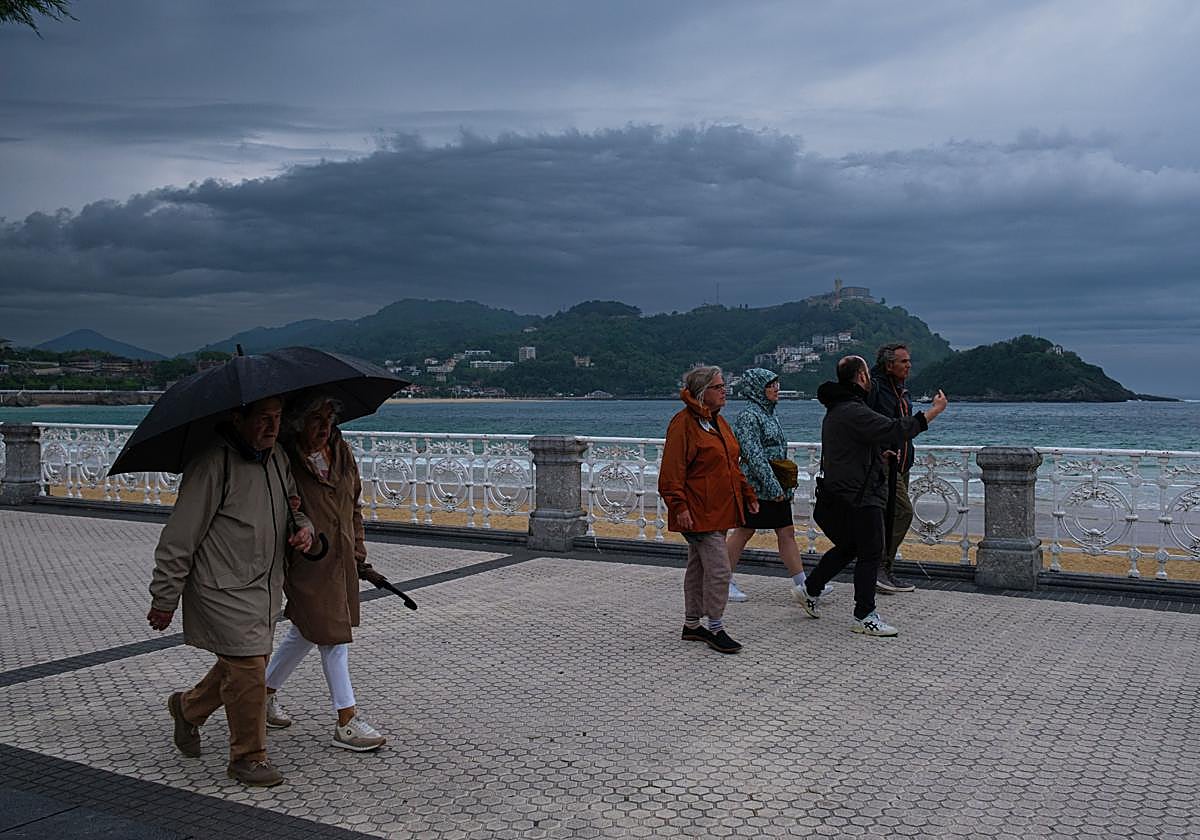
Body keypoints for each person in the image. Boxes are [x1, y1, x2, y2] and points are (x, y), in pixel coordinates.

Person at [148, 395, 314, 787]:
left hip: (265, 585)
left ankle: (187, 709)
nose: (273, 428)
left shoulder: (277, 460)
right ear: (237, 418)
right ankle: (248, 757)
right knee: (250, 668)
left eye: (277, 418)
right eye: (263, 419)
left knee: (242, 665)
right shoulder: (212, 464)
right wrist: (164, 598)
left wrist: (304, 528)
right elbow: (178, 538)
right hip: (220, 586)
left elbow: (295, 509)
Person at [263, 392, 388, 752]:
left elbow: (354, 504)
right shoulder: (283, 457)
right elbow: (277, 507)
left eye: (329, 419)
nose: (323, 427)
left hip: (342, 556)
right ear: (298, 421)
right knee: (332, 632)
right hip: (306, 558)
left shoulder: (341, 452)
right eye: (315, 419)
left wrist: (359, 554)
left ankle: (262, 695)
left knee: (307, 629)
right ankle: (346, 720)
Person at [797, 356, 947, 637]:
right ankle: (864, 614)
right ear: (861, 377)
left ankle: (810, 588)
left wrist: (879, 456)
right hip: (860, 494)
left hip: (845, 489)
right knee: (870, 552)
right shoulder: (853, 411)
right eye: (867, 374)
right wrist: (934, 411)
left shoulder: (839, 409)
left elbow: (851, 449)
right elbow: (896, 429)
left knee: (850, 547)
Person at [659, 366, 759, 654]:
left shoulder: (718, 422)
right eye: (718, 387)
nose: (724, 390)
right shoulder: (684, 424)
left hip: (719, 508)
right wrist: (678, 506)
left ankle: (692, 625)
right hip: (697, 510)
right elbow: (671, 471)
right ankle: (715, 627)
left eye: (723, 385)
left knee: (699, 566)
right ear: (703, 392)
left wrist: (747, 492)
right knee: (719, 570)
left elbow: (731, 463)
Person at [725, 368, 832, 604]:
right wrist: (773, 487)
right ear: (757, 389)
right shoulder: (749, 416)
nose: (776, 389)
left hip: (776, 485)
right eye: (770, 385)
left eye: (777, 384)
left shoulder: (769, 414)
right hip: (757, 486)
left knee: (786, 531)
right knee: (744, 530)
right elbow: (754, 455)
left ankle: (804, 584)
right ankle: (723, 581)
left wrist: (780, 487)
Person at [866, 342, 917, 594]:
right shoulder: (875, 388)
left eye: (909, 361)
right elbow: (867, 424)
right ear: (889, 365)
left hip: (903, 463)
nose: (908, 365)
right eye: (903, 361)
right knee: (902, 512)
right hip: (885, 463)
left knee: (890, 518)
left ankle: (886, 570)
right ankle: (877, 567)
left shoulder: (901, 390)